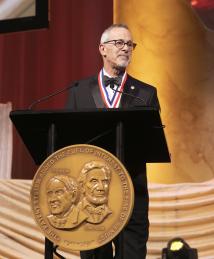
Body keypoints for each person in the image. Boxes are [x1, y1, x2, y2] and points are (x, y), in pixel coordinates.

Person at [67, 24, 160, 259]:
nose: (125, 48)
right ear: (102, 49)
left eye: (130, 44)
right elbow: (70, 143)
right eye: (119, 43)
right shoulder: (79, 91)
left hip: (132, 191)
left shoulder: (146, 93)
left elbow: (153, 140)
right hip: (90, 196)